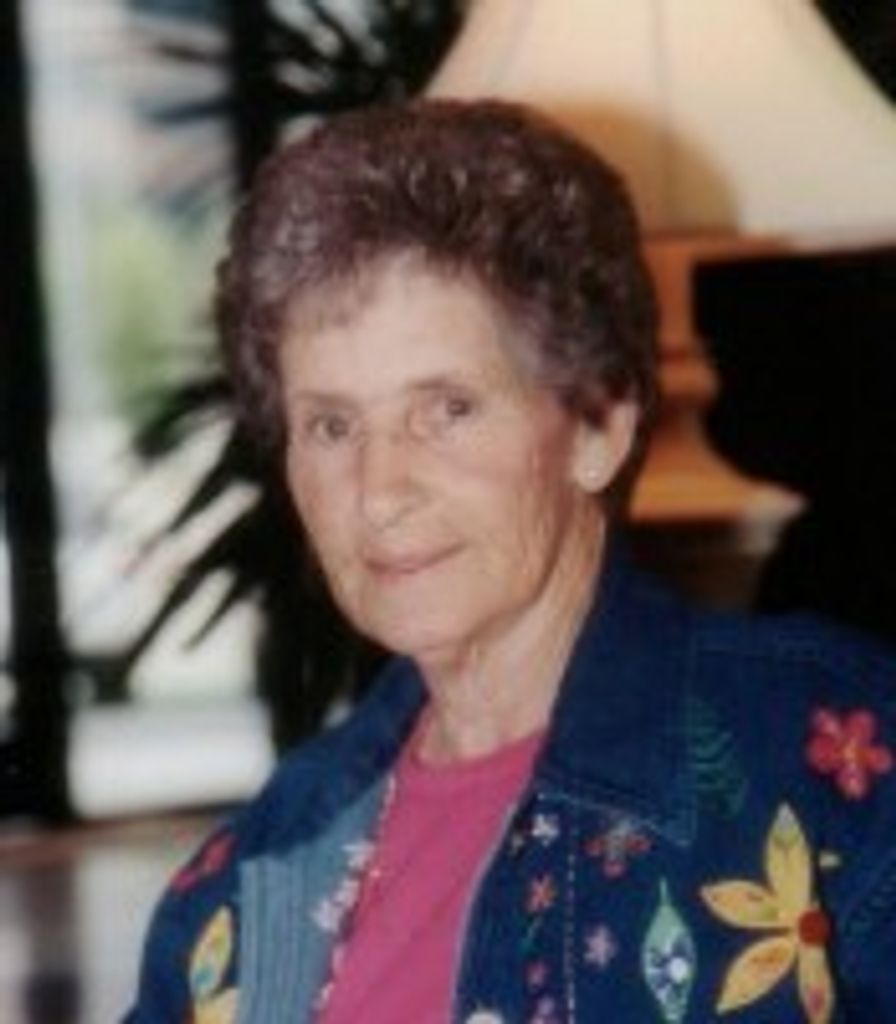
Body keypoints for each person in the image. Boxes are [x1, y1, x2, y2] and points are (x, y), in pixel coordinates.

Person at [125, 100, 896, 1024]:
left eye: (446, 409)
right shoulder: (255, 867)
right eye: (332, 426)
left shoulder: (835, 759)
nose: (379, 491)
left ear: (598, 426)